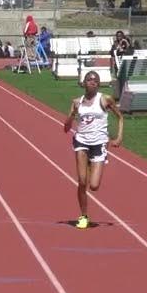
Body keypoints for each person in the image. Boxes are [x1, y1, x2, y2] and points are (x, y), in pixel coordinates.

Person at [62, 71, 124, 229]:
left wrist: (118, 137)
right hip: (81, 141)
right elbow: (66, 128)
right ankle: (83, 216)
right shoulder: (77, 102)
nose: (93, 82)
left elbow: (120, 117)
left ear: (99, 84)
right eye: (89, 80)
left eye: (96, 80)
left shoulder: (105, 99)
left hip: (99, 143)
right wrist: (72, 115)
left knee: (94, 185)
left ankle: (92, 162)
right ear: (83, 82)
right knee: (82, 181)